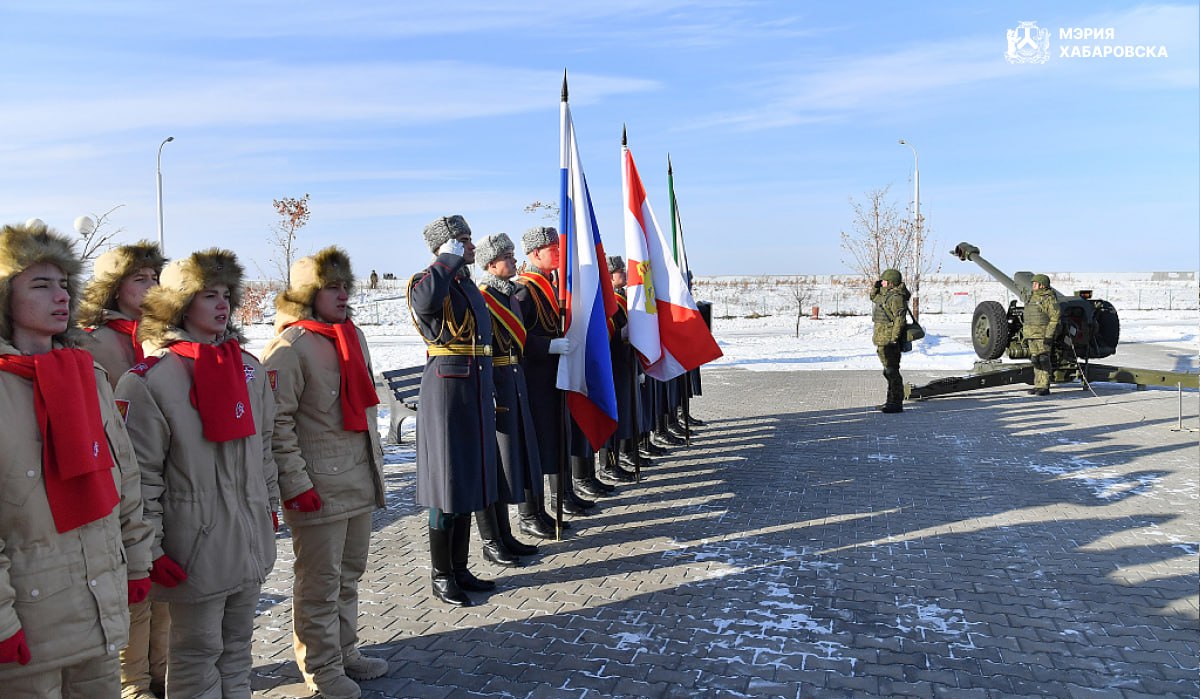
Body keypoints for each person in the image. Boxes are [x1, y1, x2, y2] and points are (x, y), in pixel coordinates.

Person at [116, 249, 278, 698]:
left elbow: (263, 449)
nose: (223, 304)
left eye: (227, 294)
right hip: (194, 549)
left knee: (238, 651)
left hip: (247, 540)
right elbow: (140, 479)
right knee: (195, 654)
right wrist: (150, 548)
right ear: (180, 304)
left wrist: (269, 508)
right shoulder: (149, 381)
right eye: (210, 295)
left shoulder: (248, 369)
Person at [0, 221, 152, 697]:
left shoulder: (89, 374)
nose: (60, 296)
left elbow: (122, 475)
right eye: (40, 285)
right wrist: (2, 624)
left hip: (99, 608)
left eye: (64, 284)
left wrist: (138, 563)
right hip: (31, 613)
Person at [262, 247, 388, 699]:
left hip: (356, 478)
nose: (341, 294)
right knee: (318, 584)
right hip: (318, 486)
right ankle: (321, 668)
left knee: (348, 576)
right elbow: (275, 423)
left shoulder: (350, 335)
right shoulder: (291, 346)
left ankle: (344, 651)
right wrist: (296, 485)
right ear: (307, 295)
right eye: (330, 287)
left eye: (343, 286)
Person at [78, 241, 170, 699]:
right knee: (133, 586)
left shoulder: (166, 336)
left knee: (166, 583)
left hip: (165, 479)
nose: (152, 286)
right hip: (117, 483)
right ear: (113, 288)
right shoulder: (89, 342)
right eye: (140, 278)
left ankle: (163, 672)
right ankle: (132, 682)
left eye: (156, 277)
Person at [407, 215, 498, 606]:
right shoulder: (426, 281)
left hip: (472, 386)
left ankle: (460, 568)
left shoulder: (464, 284)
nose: (472, 247)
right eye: (464, 241)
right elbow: (426, 303)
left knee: (465, 481)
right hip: (446, 390)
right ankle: (441, 575)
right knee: (445, 484)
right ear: (447, 247)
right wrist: (445, 260)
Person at [513, 227, 594, 521]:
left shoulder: (549, 284)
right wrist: (548, 346)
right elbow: (516, 335)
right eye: (553, 249)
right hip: (535, 377)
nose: (559, 253)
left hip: (554, 375)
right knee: (538, 442)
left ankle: (563, 495)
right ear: (536, 254)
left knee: (558, 435)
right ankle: (531, 512)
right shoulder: (524, 289)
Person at [474, 233, 549, 550]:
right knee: (500, 463)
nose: (514, 260)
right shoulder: (485, 297)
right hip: (498, 379)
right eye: (507, 256)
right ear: (491, 263)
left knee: (520, 454)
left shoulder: (509, 295)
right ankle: (498, 537)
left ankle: (513, 530)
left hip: (515, 378)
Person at [598, 256, 638, 483]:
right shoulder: (610, 300)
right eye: (618, 270)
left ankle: (619, 456)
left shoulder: (620, 298)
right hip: (612, 364)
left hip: (623, 363)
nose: (623, 273)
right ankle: (607, 463)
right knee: (611, 414)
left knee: (623, 411)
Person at [870, 268, 911, 413]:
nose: (882, 283)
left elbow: (900, 320)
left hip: (889, 340)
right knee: (888, 371)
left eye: (884, 281)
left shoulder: (896, 298)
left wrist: (894, 338)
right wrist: (875, 286)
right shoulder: (885, 295)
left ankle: (896, 403)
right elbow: (873, 297)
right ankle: (890, 401)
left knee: (892, 371)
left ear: (891, 283)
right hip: (882, 339)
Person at [1024, 273, 1061, 396]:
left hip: (1042, 335)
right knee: (1035, 360)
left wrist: (1049, 336)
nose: (1033, 285)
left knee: (1043, 360)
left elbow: (1055, 318)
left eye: (1035, 283)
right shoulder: (1031, 298)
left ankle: (1044, 386)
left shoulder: (1048, 298)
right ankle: (1038, 385)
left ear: (1042, 285)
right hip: (1031, 335)